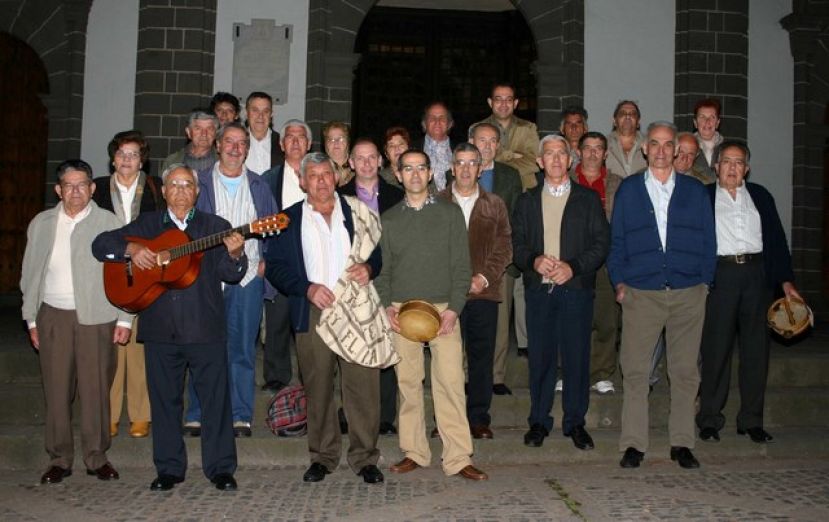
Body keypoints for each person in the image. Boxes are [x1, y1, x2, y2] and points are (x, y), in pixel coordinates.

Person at [92, 164, 244, 491]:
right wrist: (131, 249)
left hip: (204, 328)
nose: (180, 190)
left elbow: (231, 275)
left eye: (187, 184)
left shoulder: (215, 227)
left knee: (216, 402)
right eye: (173, 184)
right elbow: (101, 244)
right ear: (163, 191)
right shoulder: (147, 225)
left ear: (197, 191)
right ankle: (169, 469)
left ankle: (220, 469)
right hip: (161, 329)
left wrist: (236, 255)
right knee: (164, 402)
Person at [265, 152, 385, 484]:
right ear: (302, 182)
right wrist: (305, 288)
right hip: (314, 311)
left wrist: (369, 267)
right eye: (313, 175)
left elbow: (378, 252)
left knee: (363, 386)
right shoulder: (286, 220)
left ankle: (365, 457)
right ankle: (322, 456)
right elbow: (274, 267)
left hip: (356, 310)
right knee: (317, 386)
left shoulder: (357, 211)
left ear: (336, 177)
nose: (320, 181)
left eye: (326, 174)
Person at [608, 121, 716, 470]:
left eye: (667, 144)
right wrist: (619, 281)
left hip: (688, 292)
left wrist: (705, 283)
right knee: (636, 370)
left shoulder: (695, 191)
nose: (660, 150)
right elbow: (618, 241)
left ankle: (682, 443)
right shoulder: (628, 190)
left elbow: (708, 242)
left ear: (677, 150)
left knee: (685, 372)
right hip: (642, 292)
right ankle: (634, 445)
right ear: (644, 148)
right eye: (654, 143)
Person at [375, 149, 487, 481]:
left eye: (420, 168)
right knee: (408, 383)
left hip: (443, 310)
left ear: (430, 173)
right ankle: (415, 451)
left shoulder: (451, 215)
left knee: (451, 381)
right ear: (398, 174)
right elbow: (382, 272)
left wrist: (455, 308)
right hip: (402, 309)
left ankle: (457, 457)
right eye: (406, 169)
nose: (413, 174)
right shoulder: (390, 219)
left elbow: (461, 267)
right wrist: (385, 307)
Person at [22, 159, 131, 484]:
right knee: (56, 389)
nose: (75, 191)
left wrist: (125, 317)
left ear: (92, 188)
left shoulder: (108, 222)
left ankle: (97, 457)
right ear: (58, 189)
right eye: (68, 185)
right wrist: (31, 320)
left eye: (82, 185)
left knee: (96, 388)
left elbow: (127, 273)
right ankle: (59, 458)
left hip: (96, 317)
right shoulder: (42, 223)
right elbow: (30, 274)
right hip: (53, 315)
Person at [697, 141, 801, 444]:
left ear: (747, 168)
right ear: (716, 167)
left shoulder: (761, 197)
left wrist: (786, 282)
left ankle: (751, 419)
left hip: (757, 277)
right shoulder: (703, 197)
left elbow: (777, 241)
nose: (732, 167)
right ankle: (709, 419)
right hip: (720, 276)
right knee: (715, 350)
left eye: (738, 162)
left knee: (757, 351)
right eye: (726, 161)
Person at [512, 135, 609, 451]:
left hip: (576, 290)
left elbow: (600, 244)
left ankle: (575, 423)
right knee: (540, 359)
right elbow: (517, 245)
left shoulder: (588, 199)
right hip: (540, 291)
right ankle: (539, 422)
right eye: (548, 154)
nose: (555, 159)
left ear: (571, 160)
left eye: (561, 154)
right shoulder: (526, 200)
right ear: (539, 162)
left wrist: (574, 267)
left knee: (577, 359)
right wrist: (534, 260)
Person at [183, 122, 278, 438]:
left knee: (241, 349)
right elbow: (185, 227)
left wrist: (265, 262)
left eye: (242, 143)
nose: (236, 148)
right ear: (218, 146)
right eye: (230, 142)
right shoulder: (200, 184)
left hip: (247, 277)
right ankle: (198, 412)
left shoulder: (259, 186)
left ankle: (240, 415)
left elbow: (276, 231)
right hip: (207, 279)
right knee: (203, 347)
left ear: (248, 150)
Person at [438, 143, 512, 439]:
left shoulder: (495, 204)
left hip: (483, 293)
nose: (466, 169)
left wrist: (483, 277)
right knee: (447, 360)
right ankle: (448, 420)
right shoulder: (437, 202)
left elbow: (504, 246)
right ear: (452, 168)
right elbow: (429, 249)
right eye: (461, 163)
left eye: (472, 163)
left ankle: (478, 418)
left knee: (481, 358)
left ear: (480, 168)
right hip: (446, 294)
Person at [93, 130, 162, 439]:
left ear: (142, 160)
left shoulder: (154, 188)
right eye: (122, 154)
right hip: (106, 269)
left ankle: (140, 414)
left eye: (133, 155)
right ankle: (107, 413)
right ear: (113, 158)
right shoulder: (97, 191)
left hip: (144, 272)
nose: (127, 160)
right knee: (109, 346)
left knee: (137, 346)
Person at [451, 122, 523, 395]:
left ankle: (496, 375)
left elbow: (514, 220)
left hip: (496, 264)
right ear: (472, 141)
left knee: (499, 324)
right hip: (460, 266)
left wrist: (502, 262)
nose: (489, 145)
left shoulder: (510, 176)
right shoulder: (455, 177)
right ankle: (466, 375)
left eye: (494, 141)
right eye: (483, 140)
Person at [338, 138, 404, 435]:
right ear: (350, 163)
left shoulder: (397, 196)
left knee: (386, 347)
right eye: (359, 158)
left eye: (371, 157)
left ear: (380, 161)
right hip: (351, 281)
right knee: (353, 351)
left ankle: (385, 417)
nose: (365, 163)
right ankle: (352, 415)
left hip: (389, 279)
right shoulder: (338, 197)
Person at [259, 119, 314, 395]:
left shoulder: (320, 175)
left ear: (309, 144)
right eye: (289, 137)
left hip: (313, 262)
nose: (295, 141)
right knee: (278, 320)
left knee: (308, 325)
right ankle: (277, 377)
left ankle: (310, 377)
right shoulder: (267, 180)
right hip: (280, 260)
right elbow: (258, 221)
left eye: (300, 137)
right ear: (281, 145)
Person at [573, 131, 623, 395]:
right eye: (588, 148)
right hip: (572, 260)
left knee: (605, 319)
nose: (592, 153)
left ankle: (602, 372)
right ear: (578, 152)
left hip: (606, 259)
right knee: (571, 319)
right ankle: (568, 370)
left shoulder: (619, 183)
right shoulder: (566, 179)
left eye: (598, 148)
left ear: (606, 153)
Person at [476, 82, 540, 190]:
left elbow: (535, 163)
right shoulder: (477, 129)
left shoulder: (528, 128)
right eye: (498, 99)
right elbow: (476, 161)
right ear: (490, 102)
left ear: (515, 103)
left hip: (523, 190)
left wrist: (495, 161)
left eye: (508, 100)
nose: (504, 104)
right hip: (487, 191)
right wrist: (510, 155)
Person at [416, 102, 455, 191]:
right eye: (432, 118)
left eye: (442, 118)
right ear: (424, 123)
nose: (437, 122)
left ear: (449, 124)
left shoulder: (460, 150)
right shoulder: (411, 149)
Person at [244, 91, 284, 175]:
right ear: (246, 113)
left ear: (271, 114)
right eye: (255, 110)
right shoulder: (236, 141)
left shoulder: (283, 143)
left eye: (265, 111)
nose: (260, 116)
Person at [605, 100, 647, 178]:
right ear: (614, 121)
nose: (628, 117)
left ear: (638, 122)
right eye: (622, 114)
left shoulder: (649, 144)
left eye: (633, 114)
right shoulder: (603, 144)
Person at [692, 98, 724, 181]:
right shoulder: (685, 148)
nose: (707, 121)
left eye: (712, 117)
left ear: (717, 123)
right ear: (695, 123)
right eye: (702, 117)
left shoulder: (726, 149)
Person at [322, 121, 354, 186]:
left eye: (341, 138)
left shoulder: (359, 166)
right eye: (331, 139)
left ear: (348, 142)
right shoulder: (318, 168)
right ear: (325, 144)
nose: (336, 143)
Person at [560, 106, 589, 172]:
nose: (574, 127)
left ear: (585, 128)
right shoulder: (557, 154)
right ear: (562, 129)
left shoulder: (592, 153)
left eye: (578, 123)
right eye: (569, 123)